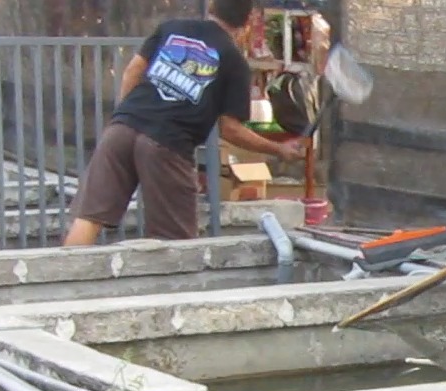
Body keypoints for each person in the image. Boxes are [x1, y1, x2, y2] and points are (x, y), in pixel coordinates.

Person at [62, 0, 304, 247]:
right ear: (249, 20)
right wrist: (279, 149)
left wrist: (126, 115)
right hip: (167, 143)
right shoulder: (233, 60)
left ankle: (63, 279)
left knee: (89, 218)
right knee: (176, 242)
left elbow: (132, 71)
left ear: (211, 7)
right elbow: (230, 129)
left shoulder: (171, 28)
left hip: (122, 129)